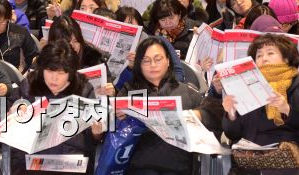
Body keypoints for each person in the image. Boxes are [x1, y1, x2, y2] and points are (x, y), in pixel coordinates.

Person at [11, 40, 103, 175]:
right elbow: (14, 107)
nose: (54, 78)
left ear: (71, 73)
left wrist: (97, 132)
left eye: (61, 73)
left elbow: (93, 137)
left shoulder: (83, 88)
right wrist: (17, 109)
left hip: (70, 159)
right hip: (33, 156)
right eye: (49, 71)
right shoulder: (30, 83)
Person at [117, 37, 207, 174]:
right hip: (140, 166)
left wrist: (198, 115)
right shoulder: (130, 91)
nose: (153, 65)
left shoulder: (186, 91)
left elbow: (210, 118)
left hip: (178, 167)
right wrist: (119, 118)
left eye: (158, 59)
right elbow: (111, 131)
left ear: (168, 61)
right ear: (139, 65)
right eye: (146, 61)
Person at [222, 34, 299, 173]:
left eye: (270, 53)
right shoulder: (245, 86)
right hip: (249, 162)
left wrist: (287, 110)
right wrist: (231, 114)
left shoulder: (296, 85)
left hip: (285, 163)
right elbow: (232, 134)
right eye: (259, 55)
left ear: (286, 58)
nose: (264, 58)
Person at [0, 0, 39, 73]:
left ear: (8, 18)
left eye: (1, 21)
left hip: (19, 78)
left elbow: (33, 57)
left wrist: (25, 75)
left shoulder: (21, 32)